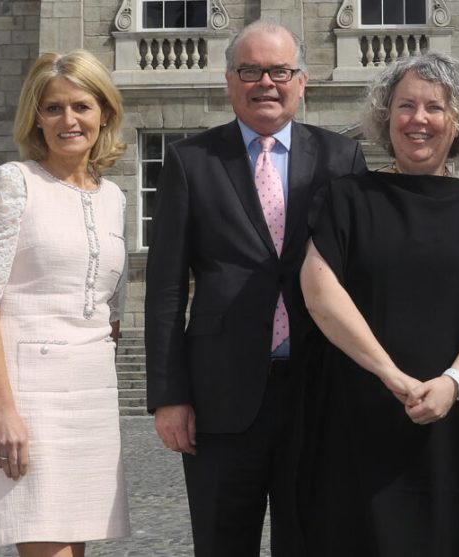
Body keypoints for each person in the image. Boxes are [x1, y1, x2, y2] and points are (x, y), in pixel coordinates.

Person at [143, 19, 366, 556]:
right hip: (220, 398)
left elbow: (358, 277)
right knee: (222, 544)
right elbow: (166, 288)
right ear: (229, 80)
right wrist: (169, 397)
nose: (265, 82)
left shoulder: (342, 159)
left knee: (312, 542)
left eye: (279, 71)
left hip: (317, 391)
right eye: (250, 70)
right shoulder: (191, 161)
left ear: (302, 81)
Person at [297, 51, 459, 556]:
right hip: (360, 417)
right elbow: (319, 291)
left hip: (457, 423)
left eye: (435, 108)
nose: (418, 119)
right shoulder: (347, 198)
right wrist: (391, 376)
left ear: (458, 120)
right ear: (385, 114)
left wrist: (452, 381)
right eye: (405, 106)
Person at [0, 49, 130, 555]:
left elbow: (110, 309)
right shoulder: (13, 183)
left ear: (103, 111)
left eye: (81, 106)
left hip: (92, 396)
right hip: (29, 398)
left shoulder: (115, 197)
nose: (68, 120)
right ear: (36, 117)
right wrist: (3, 411)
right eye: (53, 108)